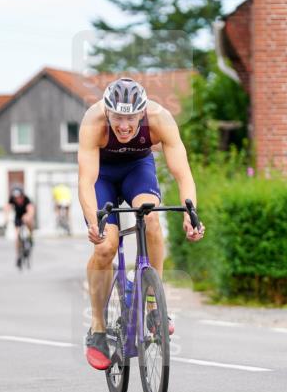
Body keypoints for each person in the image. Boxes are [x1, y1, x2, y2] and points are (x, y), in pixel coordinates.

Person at [78, 77, 205, 370]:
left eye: (131, 119)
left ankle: (152, 306)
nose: (124, 126)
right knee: (106, 247)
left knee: (151, 219)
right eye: (118, 118)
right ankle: (97, 328)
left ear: (142, 114)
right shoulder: (92, 121)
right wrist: (94, 221)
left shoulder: (160, 119)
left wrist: (191, 213)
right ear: (107, 112)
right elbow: (86, 180)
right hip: (102, 177)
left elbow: (183, 174)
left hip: (138, 169)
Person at [4, 186, 35, 266]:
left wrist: (28, 216)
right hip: (18, 217)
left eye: (18, 197)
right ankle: (18, 256)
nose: (17, 199)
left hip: (26, 214)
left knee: (29, 222)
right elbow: (7, 208)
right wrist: (6, 219)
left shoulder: (26, 199)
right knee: (17, 236)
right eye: (15, 198)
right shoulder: (12, 199)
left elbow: (31, 210)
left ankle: (31, 237)